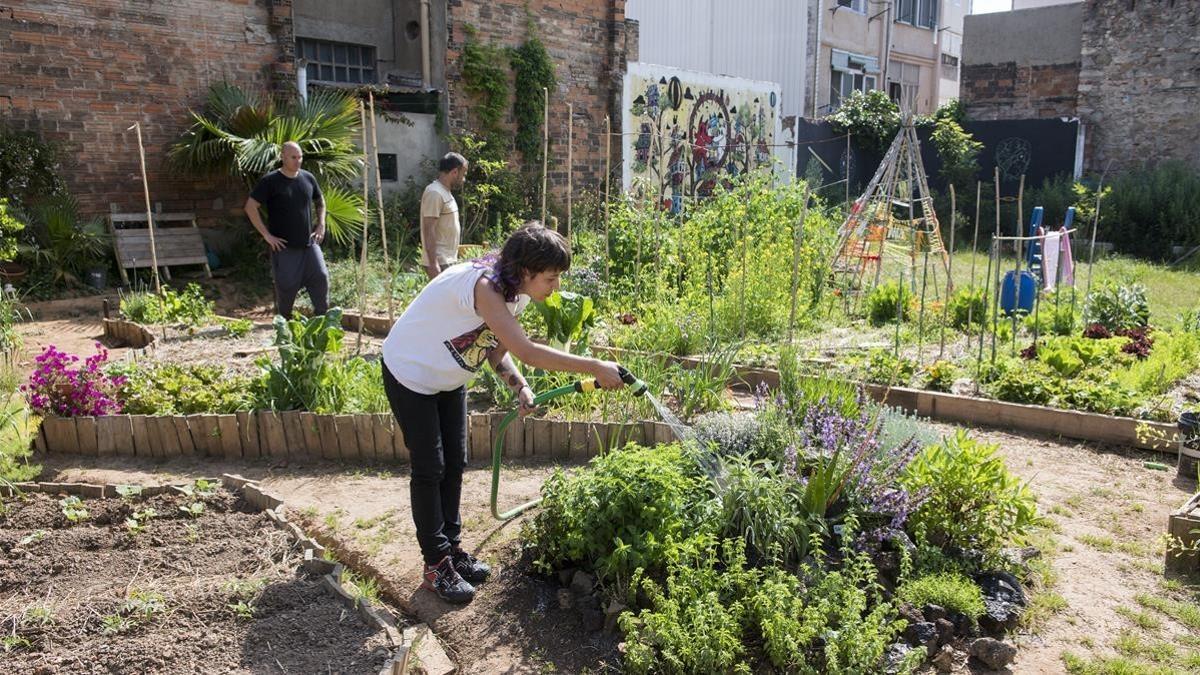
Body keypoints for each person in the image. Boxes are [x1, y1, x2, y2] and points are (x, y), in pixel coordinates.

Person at [381, 223, 626, 604]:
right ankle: (435, 565)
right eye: (551, 278)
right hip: (411, 374)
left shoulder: (515, 292)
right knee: (430, 468)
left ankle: (452, 552)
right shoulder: (484, 287)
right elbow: (527, 349)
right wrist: (594, 365)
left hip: (447, 378)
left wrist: (518, 384)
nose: (555, 287)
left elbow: (495, 348)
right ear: (526, 271)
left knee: (456, 463)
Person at [244, 141, 329, 317]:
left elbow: (320, 201)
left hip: (309, 244)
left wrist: (321, 223)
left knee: (321, 276)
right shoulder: (270, 181)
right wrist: (267, 235)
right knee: (287, 286)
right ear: (282, 157)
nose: (298, 161)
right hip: (284, 247)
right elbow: (250, 207)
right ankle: (285, 322)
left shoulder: (308, 178)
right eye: (293, 157)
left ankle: (322, 319)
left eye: (300, 157)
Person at [420, 152, 468, 280]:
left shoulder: (444, 192)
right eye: (463, 174)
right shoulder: (435, 192)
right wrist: (433, 263)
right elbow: (429, 229)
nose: (464, 179)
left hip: (447, 260)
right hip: (440, 261)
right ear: (454, 172)